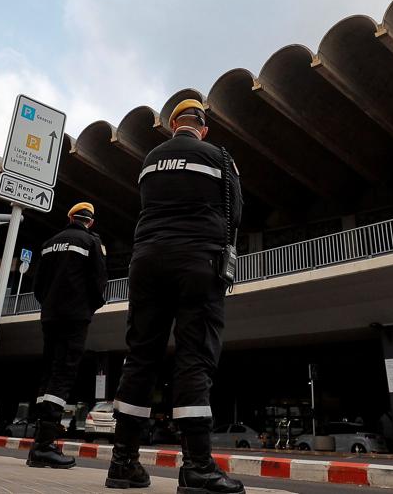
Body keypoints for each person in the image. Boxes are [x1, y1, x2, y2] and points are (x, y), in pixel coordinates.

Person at [108, 99, 243, 493]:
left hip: (147, 261)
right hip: (197, 261)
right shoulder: (219, 157)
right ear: (203, 128)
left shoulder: (150, 160)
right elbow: (235, 214)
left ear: (172, 125)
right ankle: (197, 466)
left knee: (140, 357)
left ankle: (123, 463)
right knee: (194, 356)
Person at [27, 202, 108, 469]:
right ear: (90, 222)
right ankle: (45, 446)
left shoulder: (49, 243)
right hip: (75, 317)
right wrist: (88, 307)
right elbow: (99, 281)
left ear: (70, 217)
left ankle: (38, 444)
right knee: (63, 373)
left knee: (48, 373)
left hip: (50, 316)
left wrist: (50, 305)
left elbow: (38, 285)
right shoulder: (91, 242)